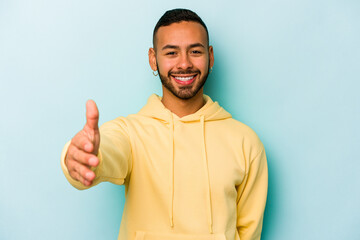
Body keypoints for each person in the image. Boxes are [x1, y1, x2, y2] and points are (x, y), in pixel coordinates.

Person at [61, 8, 268, 240]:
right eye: (171, 53)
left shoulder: (246, 142)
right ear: (153, 59)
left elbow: (249, 233)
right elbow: (108, 150)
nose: (184, 64)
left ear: (210, 56)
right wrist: (80, 156)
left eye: (195, 51)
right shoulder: (130, 133)